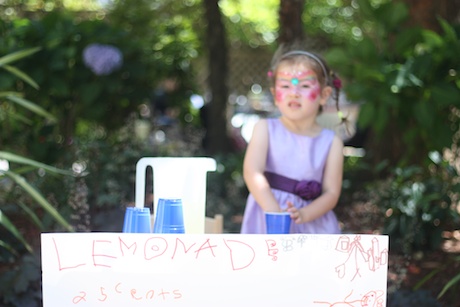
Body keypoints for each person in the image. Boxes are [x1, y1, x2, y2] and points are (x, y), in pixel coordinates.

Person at [240, 44, 344, 234]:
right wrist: (274, 212)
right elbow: (252, 172)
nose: (294, 92)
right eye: (285, 86)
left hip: (312, 224)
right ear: (275, 95)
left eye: (304, 86)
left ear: (324, 95)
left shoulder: (331, 142)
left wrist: (305, 214)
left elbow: (331, 192)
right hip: (267, 217)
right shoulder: (265, 129)